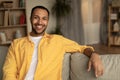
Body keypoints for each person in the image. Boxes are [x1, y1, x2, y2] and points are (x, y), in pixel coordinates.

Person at [3, 6, 104, 80]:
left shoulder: (57, 40)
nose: (39, 22)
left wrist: (94, 55)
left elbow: (81, 48)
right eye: (36, 17)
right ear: (30, 19)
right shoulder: (16, 44)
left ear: (47, 21)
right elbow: (9, 72)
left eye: (44, 19)